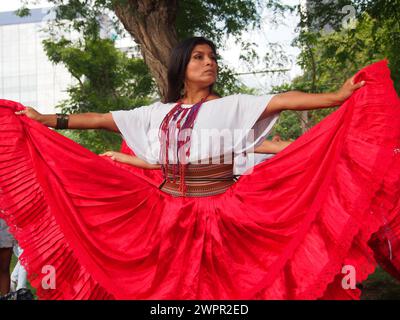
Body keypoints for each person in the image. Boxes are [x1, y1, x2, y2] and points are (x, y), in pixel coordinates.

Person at [1, 36, 399, 300]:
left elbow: (284, 100)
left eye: (212, 58)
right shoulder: (155, 113)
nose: (209, 64)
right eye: (199, 57)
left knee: (227, 291)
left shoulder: (231, 106)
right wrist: (47, 119)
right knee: (167, 293)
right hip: (167, 214)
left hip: (222, 212)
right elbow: (102, 118)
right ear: (180, 67)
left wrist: (336, 96)